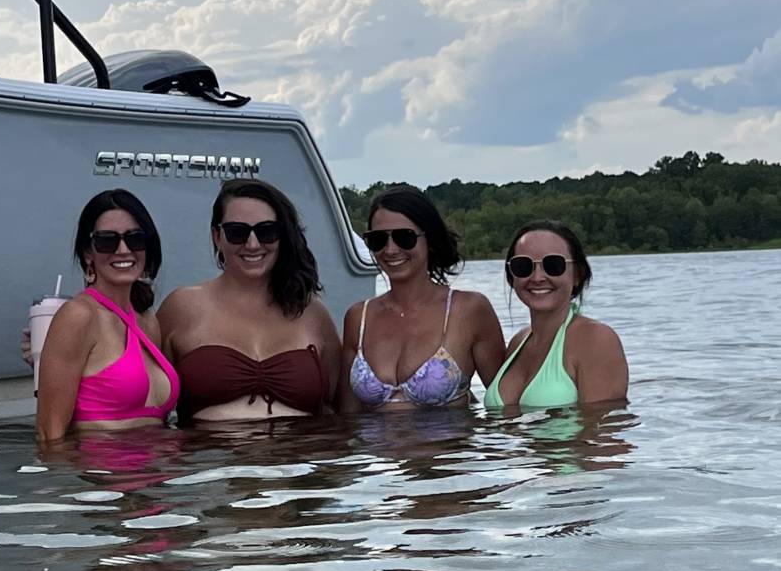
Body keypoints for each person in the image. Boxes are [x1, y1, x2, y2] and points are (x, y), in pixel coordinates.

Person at [158, 178, 340, 423]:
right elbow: (149, 406)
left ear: (282, 236)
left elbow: (339, 408)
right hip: (209, 457)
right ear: (216, 236)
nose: (252, 244)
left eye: (266, 231)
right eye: (237, 232)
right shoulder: (181, 307)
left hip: (300, 455)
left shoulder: (313, 314)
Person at [337, 185, 505, 412]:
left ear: (430, 238)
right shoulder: (359, 318)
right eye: (378, 240)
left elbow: (504, 407)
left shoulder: (468, 310)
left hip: (449, 447)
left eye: (404, 238)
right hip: (374, 447)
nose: (390, 249)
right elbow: (348, 417)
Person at [35, 189, 179, 443]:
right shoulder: (78, 317)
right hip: (104, 478)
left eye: (135, 239)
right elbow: (50, 435)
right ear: (88, 252)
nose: (123, 250)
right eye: (107, 241)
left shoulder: (147, 320)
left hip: (158, 474)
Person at [487, 220, 628, 409]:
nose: (537, 277)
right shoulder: (517, 344)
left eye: (553, 265)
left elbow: (603, 430)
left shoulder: (596, 340)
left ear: (578, 274)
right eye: (523, 266)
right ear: (512, 276)